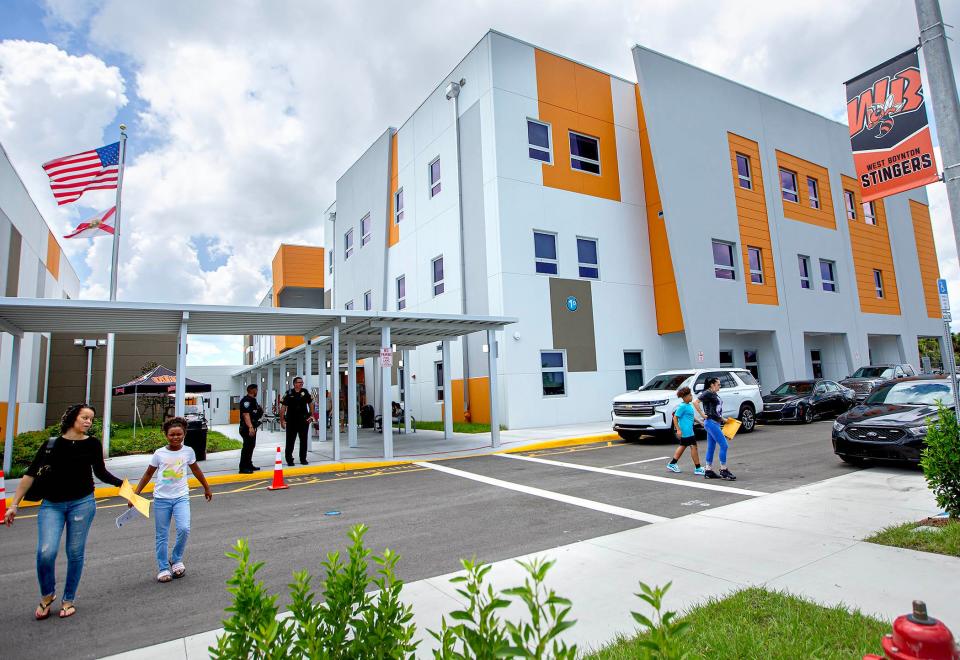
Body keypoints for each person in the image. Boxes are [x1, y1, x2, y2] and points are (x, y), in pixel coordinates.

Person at [3, 403, 123, 620]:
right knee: (45, 552)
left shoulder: (92, 444)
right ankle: (47, 595)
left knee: (75, 553)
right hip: (52, 505)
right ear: (72, 418)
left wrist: (123, 485)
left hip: (82, 503)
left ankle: (69, 599)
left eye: (91, 419)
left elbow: (101, 473)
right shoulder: (51, 445)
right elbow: (30, 475)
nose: (88, 422)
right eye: (84, 417)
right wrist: (14, 504)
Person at [131, 417, 213, 583]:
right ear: (165, 435)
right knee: (162, 535)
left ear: (184, 434)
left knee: (184, 529)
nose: (175, 437)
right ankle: (163, 568)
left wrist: (206, 487)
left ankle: (176, 559)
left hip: (181, 497)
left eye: (179, 434)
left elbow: (196, 469)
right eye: (172, 434)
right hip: (161, 499)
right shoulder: (159, 453)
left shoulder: (188, 451)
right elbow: (148, 473)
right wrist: (136, 492)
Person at [693, 376, 737, 480]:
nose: (720, 386)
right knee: (724, 445)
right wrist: (702, 415)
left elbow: (715, 410)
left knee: (711, 447)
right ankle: (723, 470)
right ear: (712, 384)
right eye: (718, 384)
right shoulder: (708, 392)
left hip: (714, 422)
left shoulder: (713, 393)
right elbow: (695, 402)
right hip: (711, 422)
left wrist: (723, 419)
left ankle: (708, 470)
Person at [667, 386, 704, 475]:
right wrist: (678, 430)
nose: (692, 397)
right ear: (685, 397)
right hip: (686, 431)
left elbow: (691, 416)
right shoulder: (682, 406)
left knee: (683, 446)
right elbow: (675, 418)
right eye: (690, 395)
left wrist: (700, 422)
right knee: (693, 447)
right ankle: (698, 468)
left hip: (689, 430)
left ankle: (672, 463)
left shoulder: (688, 405)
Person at [280, 376, 314, 466]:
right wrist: (282, 420)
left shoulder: (305, 392)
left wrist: (311, 415)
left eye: (302, 382)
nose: (301, 384)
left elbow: (311, 404)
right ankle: (289, 460)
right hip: (291, 421)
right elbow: (283, 408)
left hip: (303, 420)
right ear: (295, 384)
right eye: (299, 382)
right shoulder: (288, 393)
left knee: (303, 440)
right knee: (290, 441)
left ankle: (303, 459)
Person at [238, 383, 263, 474]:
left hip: (252, 427)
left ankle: (249, 464)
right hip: (247, 428)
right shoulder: (246, 401)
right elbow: (246, 414)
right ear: (252, 390)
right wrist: (250, 427)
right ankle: (243, 467)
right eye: (256, 390)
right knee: (247, 447)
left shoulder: (253, 400)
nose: (257, 391)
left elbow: (256, 413)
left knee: (251, 446)